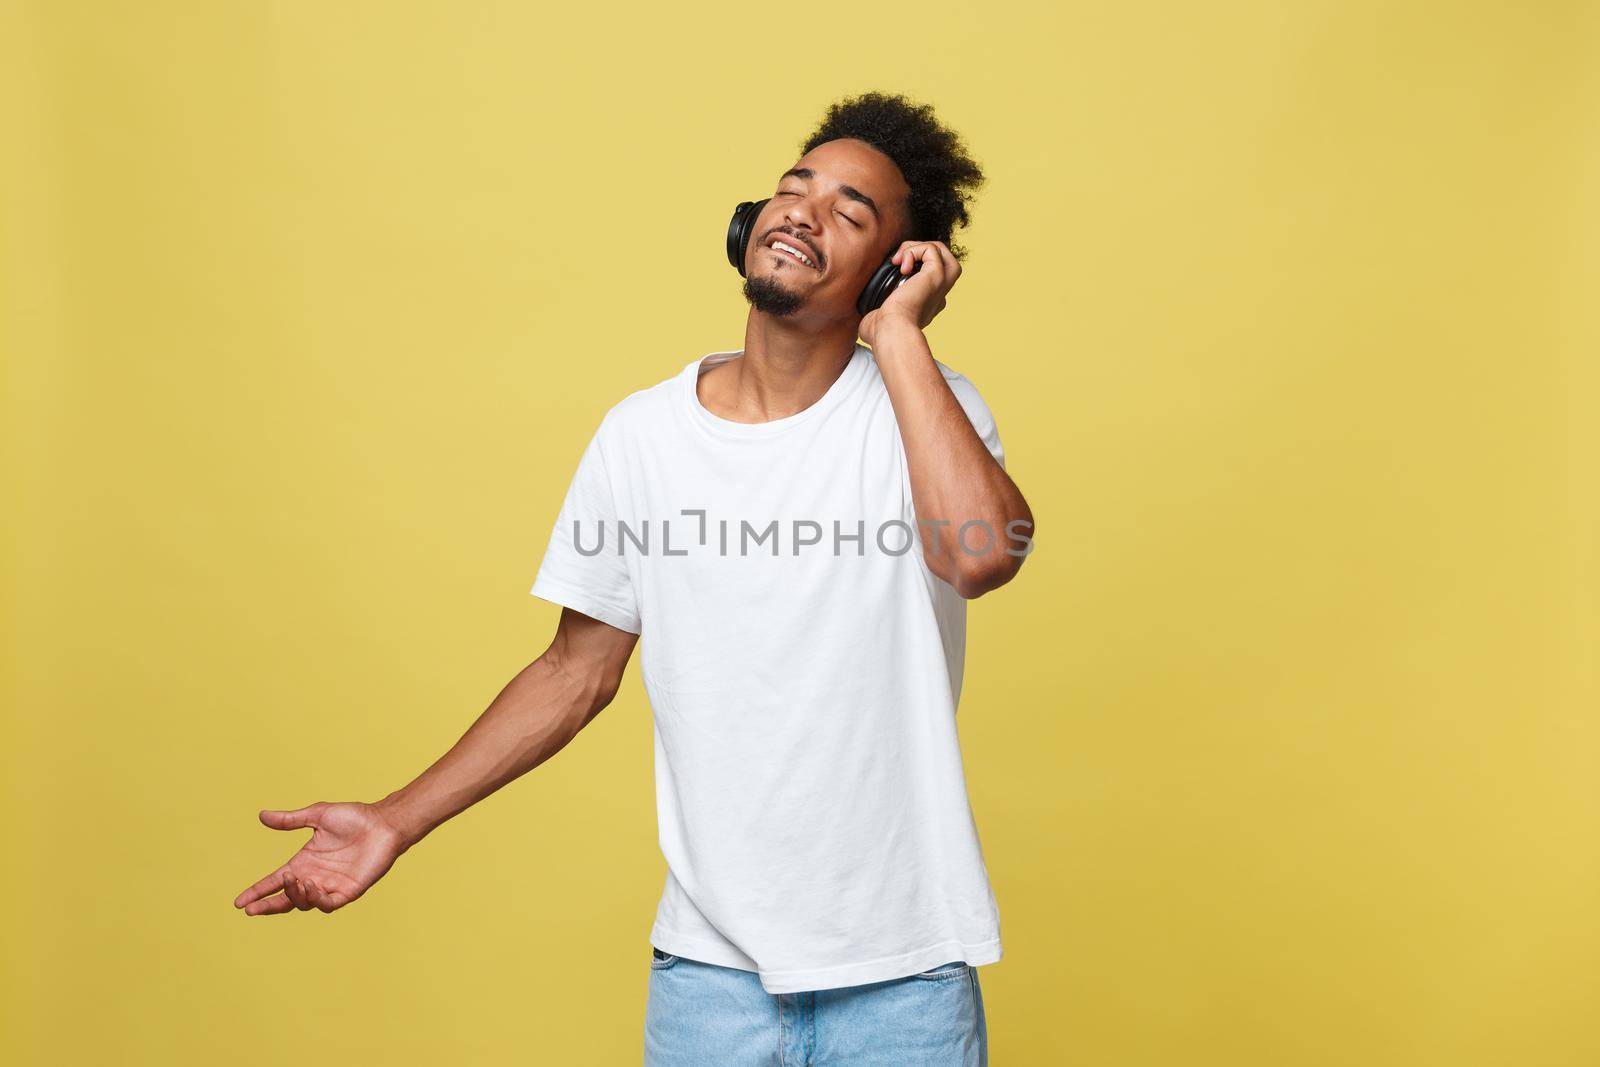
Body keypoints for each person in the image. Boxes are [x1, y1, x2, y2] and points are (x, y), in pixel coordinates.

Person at [233, 90, 1034, 1066]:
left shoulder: (929, 414)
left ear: (892, 272)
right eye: (794, 187)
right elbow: (575, 671)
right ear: (749, 224)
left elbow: (980, 553)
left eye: (851, 212)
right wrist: (396, 819)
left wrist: (900, 337)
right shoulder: (643, 434)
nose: (802, 211)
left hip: (904, 975)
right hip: (708, 984)